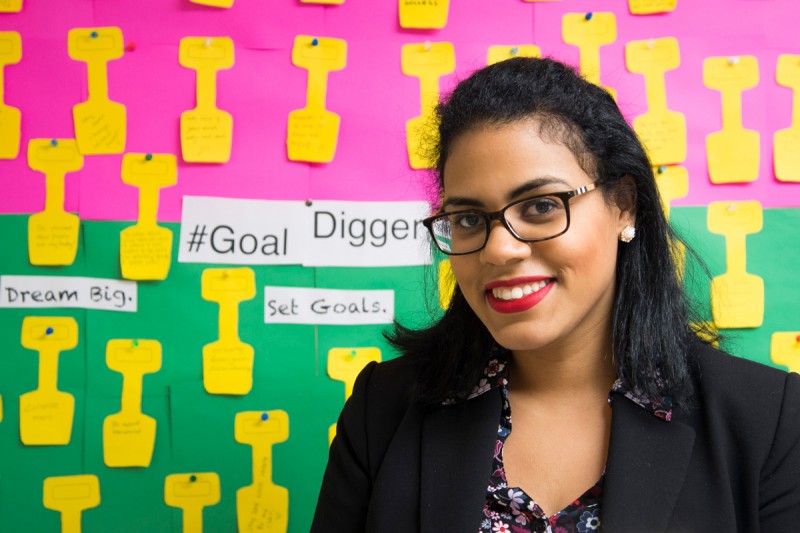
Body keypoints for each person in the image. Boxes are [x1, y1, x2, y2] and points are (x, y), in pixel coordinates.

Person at [310, 57, 800, 532]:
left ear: (624, 205)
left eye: (542, 206)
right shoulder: (384, 409)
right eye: (466, 219)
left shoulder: (767, 421)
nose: (500, 249)